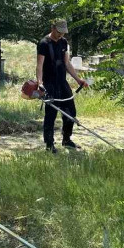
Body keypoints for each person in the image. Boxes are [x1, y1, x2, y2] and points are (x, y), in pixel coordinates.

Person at [36, 19, 88, 153]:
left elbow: (67, 63)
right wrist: (40, 83)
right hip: (49, 83)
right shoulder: (44, 43)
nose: (61, 35)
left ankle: (66, 140)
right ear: (53, 28)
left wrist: (78, 80)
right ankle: (49, 144)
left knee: (71, 112)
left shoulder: (64, 42)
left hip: (62, 82)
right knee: (51, 115)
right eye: (59, 32)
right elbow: (40, 65)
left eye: (63, 33)